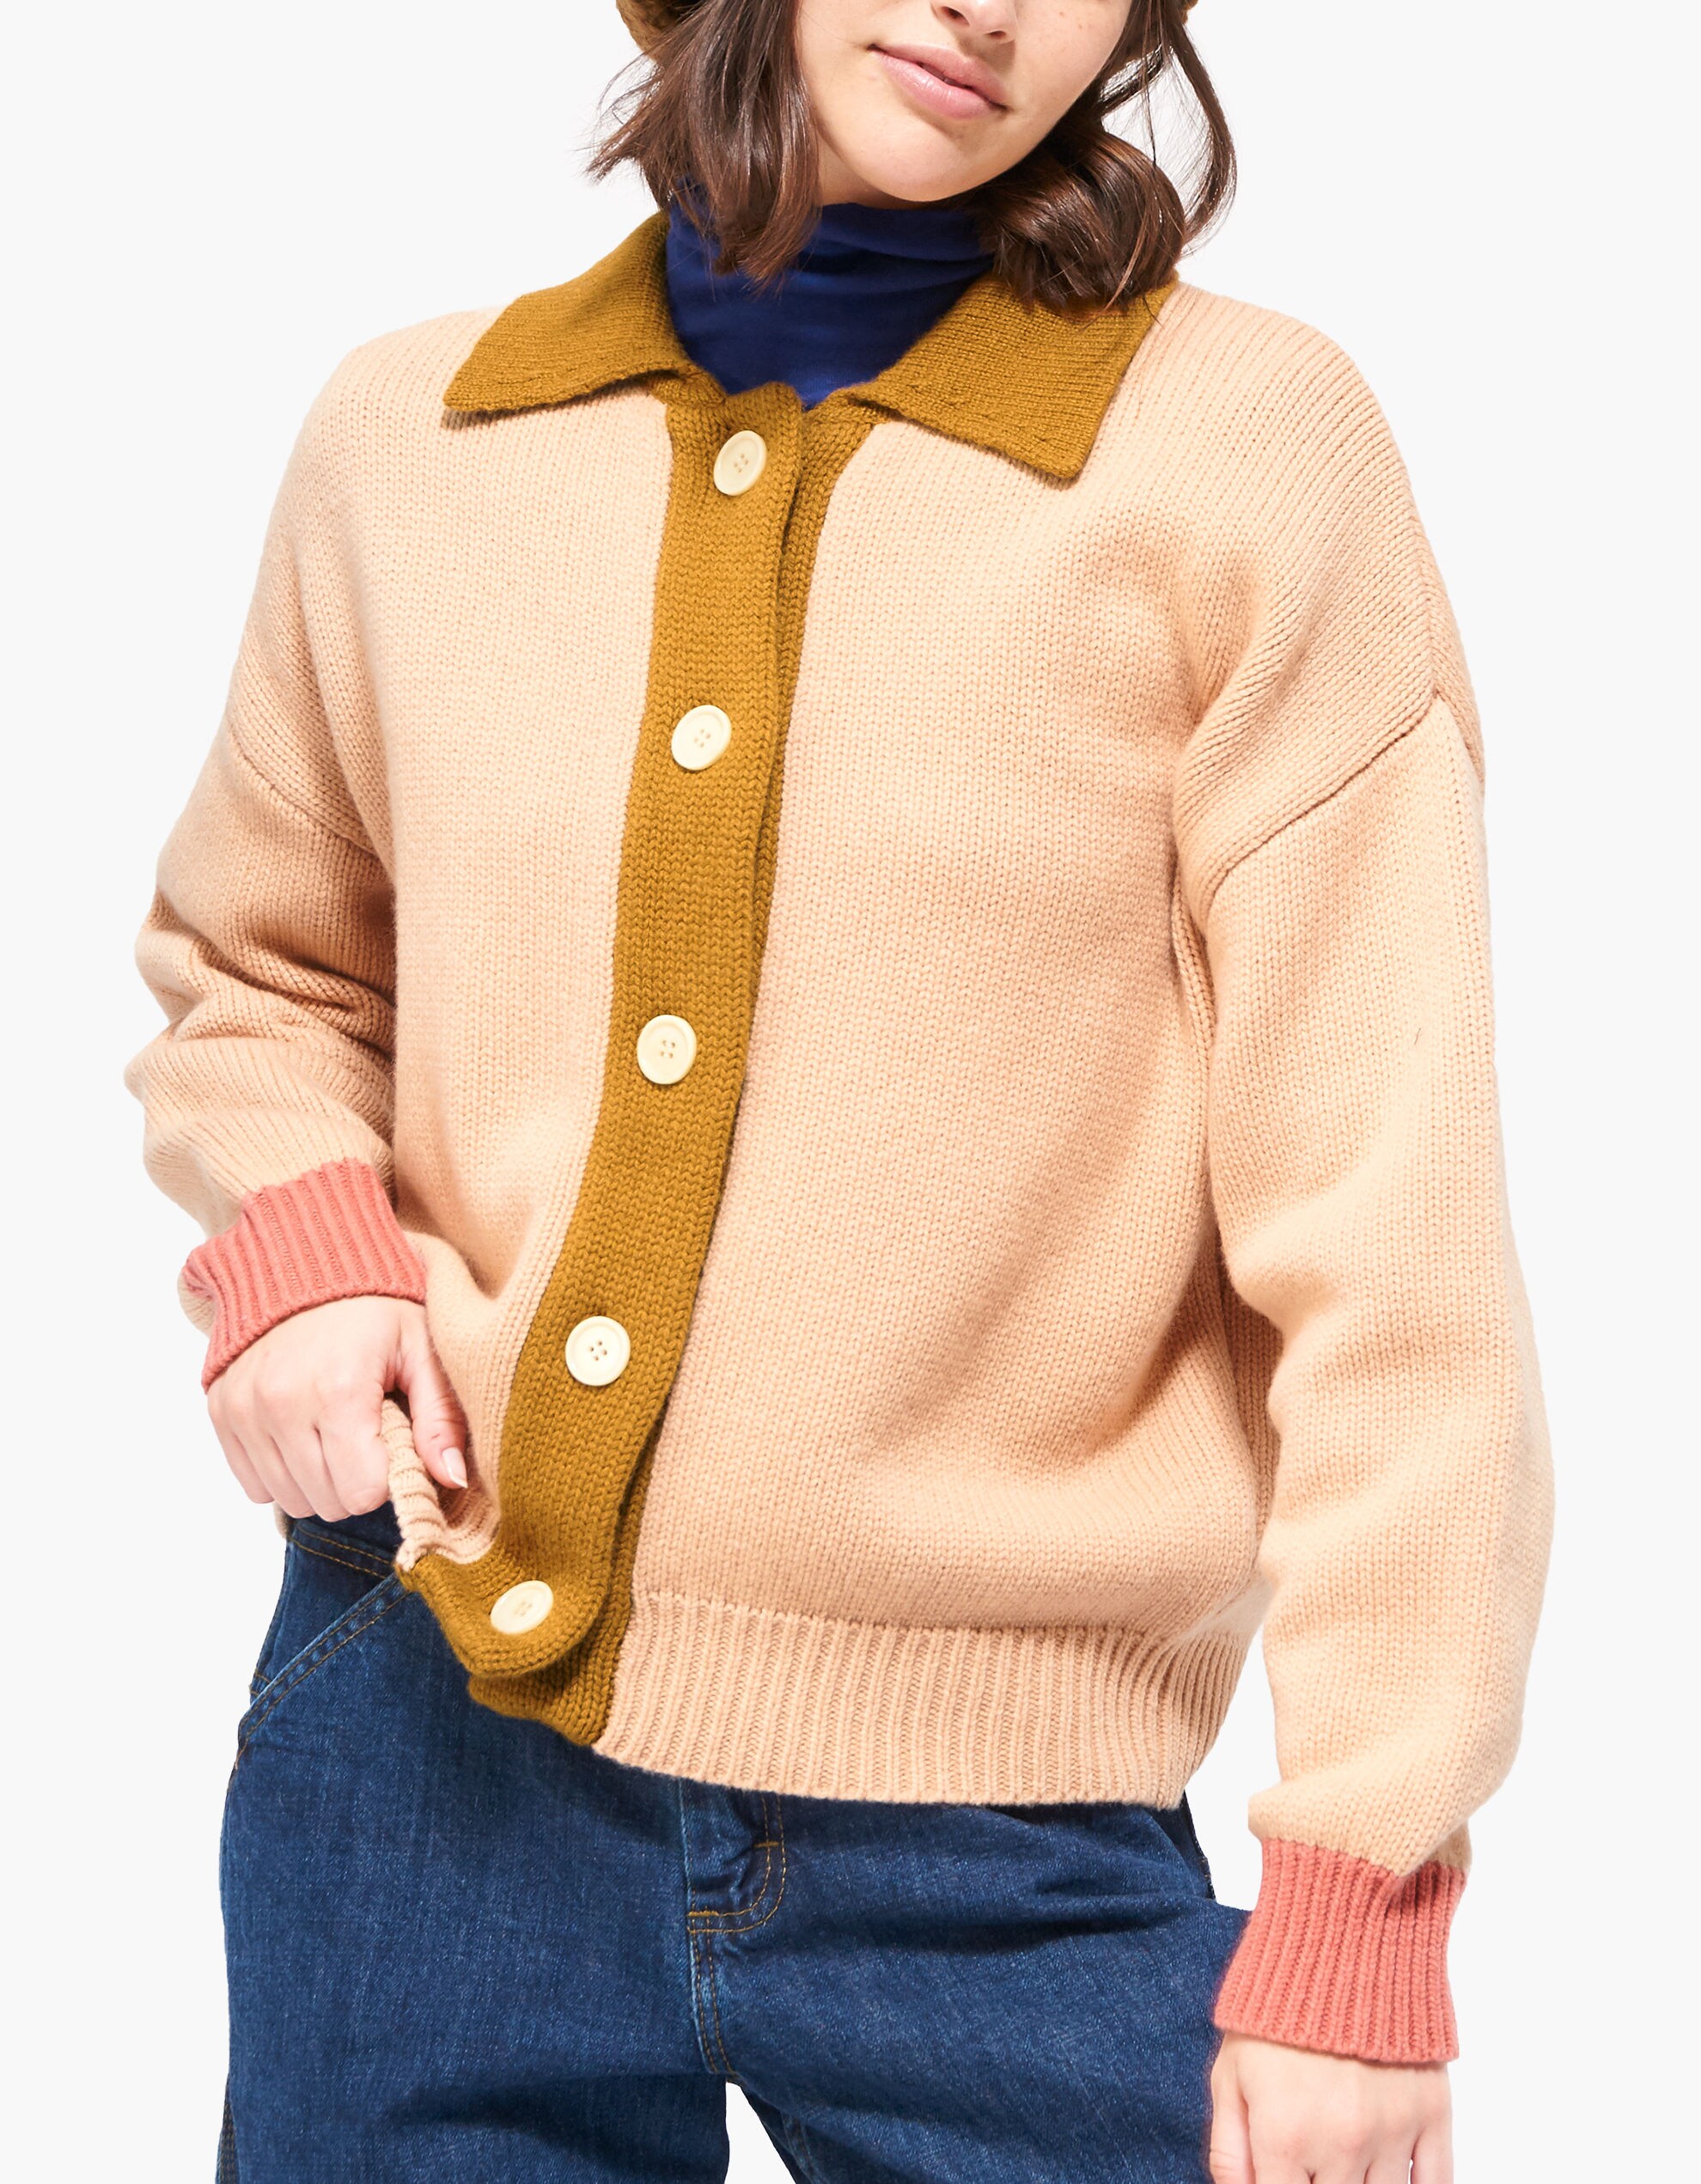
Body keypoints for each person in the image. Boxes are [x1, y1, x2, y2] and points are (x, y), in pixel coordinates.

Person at [127, 3, 1553, 2179]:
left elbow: (1390, 1235)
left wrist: (1359, 1885)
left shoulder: (1241, 451)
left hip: (1007, 1833)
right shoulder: (410, 436)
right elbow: (261, 967)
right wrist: (303, 1250)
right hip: (422, 1750)